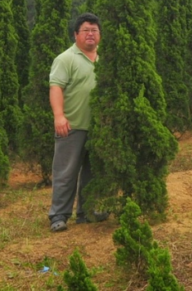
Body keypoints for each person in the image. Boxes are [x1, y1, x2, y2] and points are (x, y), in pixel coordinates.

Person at [48, 12, 107, 232]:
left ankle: (87, 212)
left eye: (94, 30)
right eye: (86, 30)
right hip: (71, 126)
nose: (90, 34)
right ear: (76, 34)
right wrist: (59, 116)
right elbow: (56, 88)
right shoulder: (66, 59)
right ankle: (58, 216)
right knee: (66, 172)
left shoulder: (104, 59)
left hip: (98, 128)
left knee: (93, 173)